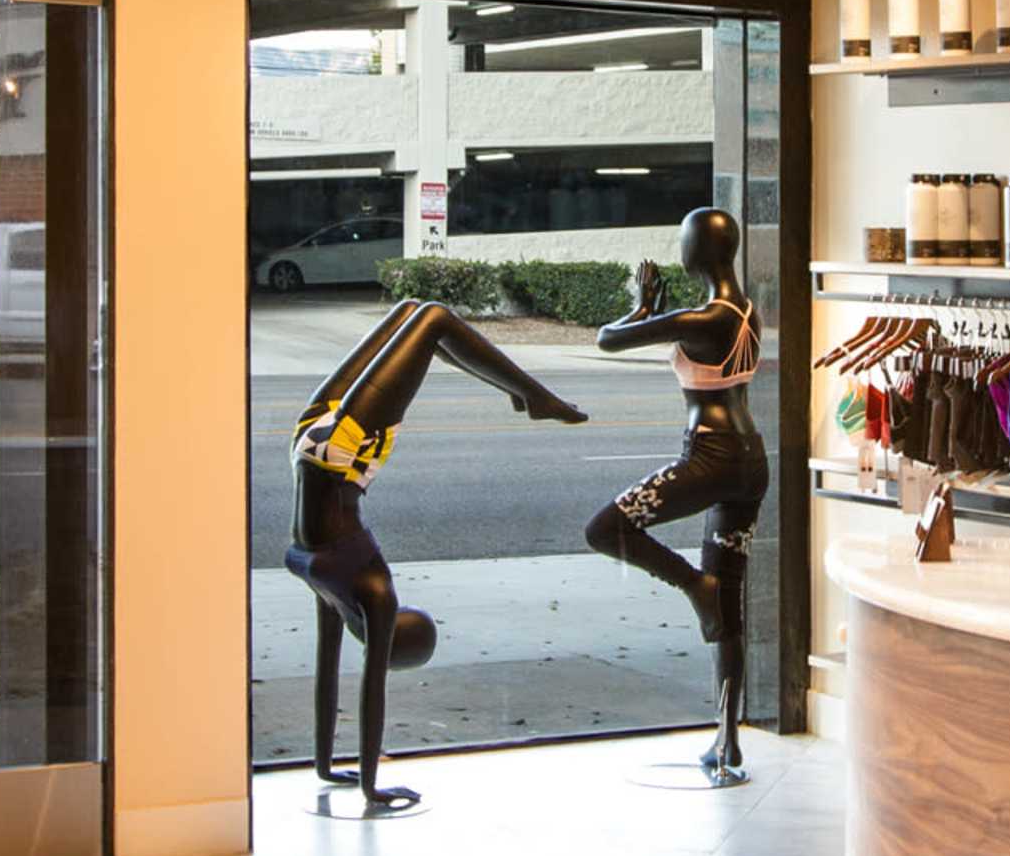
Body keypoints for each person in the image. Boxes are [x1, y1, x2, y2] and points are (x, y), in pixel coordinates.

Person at [285, 298, 586, 814]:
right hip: (315, 451)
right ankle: (524, 395)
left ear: (396, 627)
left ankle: (531, 395)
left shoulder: (366, 591)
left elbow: (368, 684)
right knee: (419, 315)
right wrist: (339, 772)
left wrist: (366, 784)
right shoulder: (346, 590)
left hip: (337, 451)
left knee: (432, 319)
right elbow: (339, 676)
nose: (404, 606)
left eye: (409, 616)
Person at [585, 207, 766, 785]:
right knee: (730, 605)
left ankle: (695, 586)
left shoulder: (705, 317)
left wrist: (641, 310)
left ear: (699, 251)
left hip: (710, 458)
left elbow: (609, 339)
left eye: (684, 242)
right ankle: (727, 743)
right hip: (748, 461)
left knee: (606, 528)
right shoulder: (744, 310)